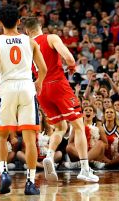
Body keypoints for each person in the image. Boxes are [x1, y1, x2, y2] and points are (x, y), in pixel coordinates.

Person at [0, 5, 48, 195]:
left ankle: (3, 173)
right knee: (30, 139)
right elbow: (42, 69)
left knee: (1, 136)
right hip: (27, 87)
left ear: (0, 22)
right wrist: (39, 82)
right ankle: (30, 182)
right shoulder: (30, 41)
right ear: (19, 22)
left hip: (7, 88)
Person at [23, 17, 98, 183]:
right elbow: (69, 57)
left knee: (60, 126)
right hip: (57, 84)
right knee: (78, 126)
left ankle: (49, 155)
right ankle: (85, 169)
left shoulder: (26, 46)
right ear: (40, 26)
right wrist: (72, 68)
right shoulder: (51, 38)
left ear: (27, 31)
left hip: (40, 89)